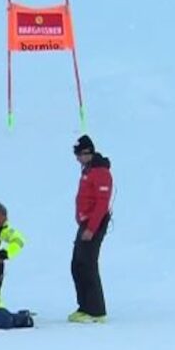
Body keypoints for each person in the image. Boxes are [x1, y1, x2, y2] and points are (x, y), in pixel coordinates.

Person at [69, 135, 113, 323]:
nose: (77, 158)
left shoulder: (100, 172)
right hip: (85, 223)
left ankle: (96, 311)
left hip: (94, 224)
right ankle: (85, 306)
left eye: (79, 154)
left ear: (88, 153)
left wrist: (91, 228)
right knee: (77, 265)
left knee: (88, 264)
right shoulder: (88, 170)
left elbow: (102, 204)